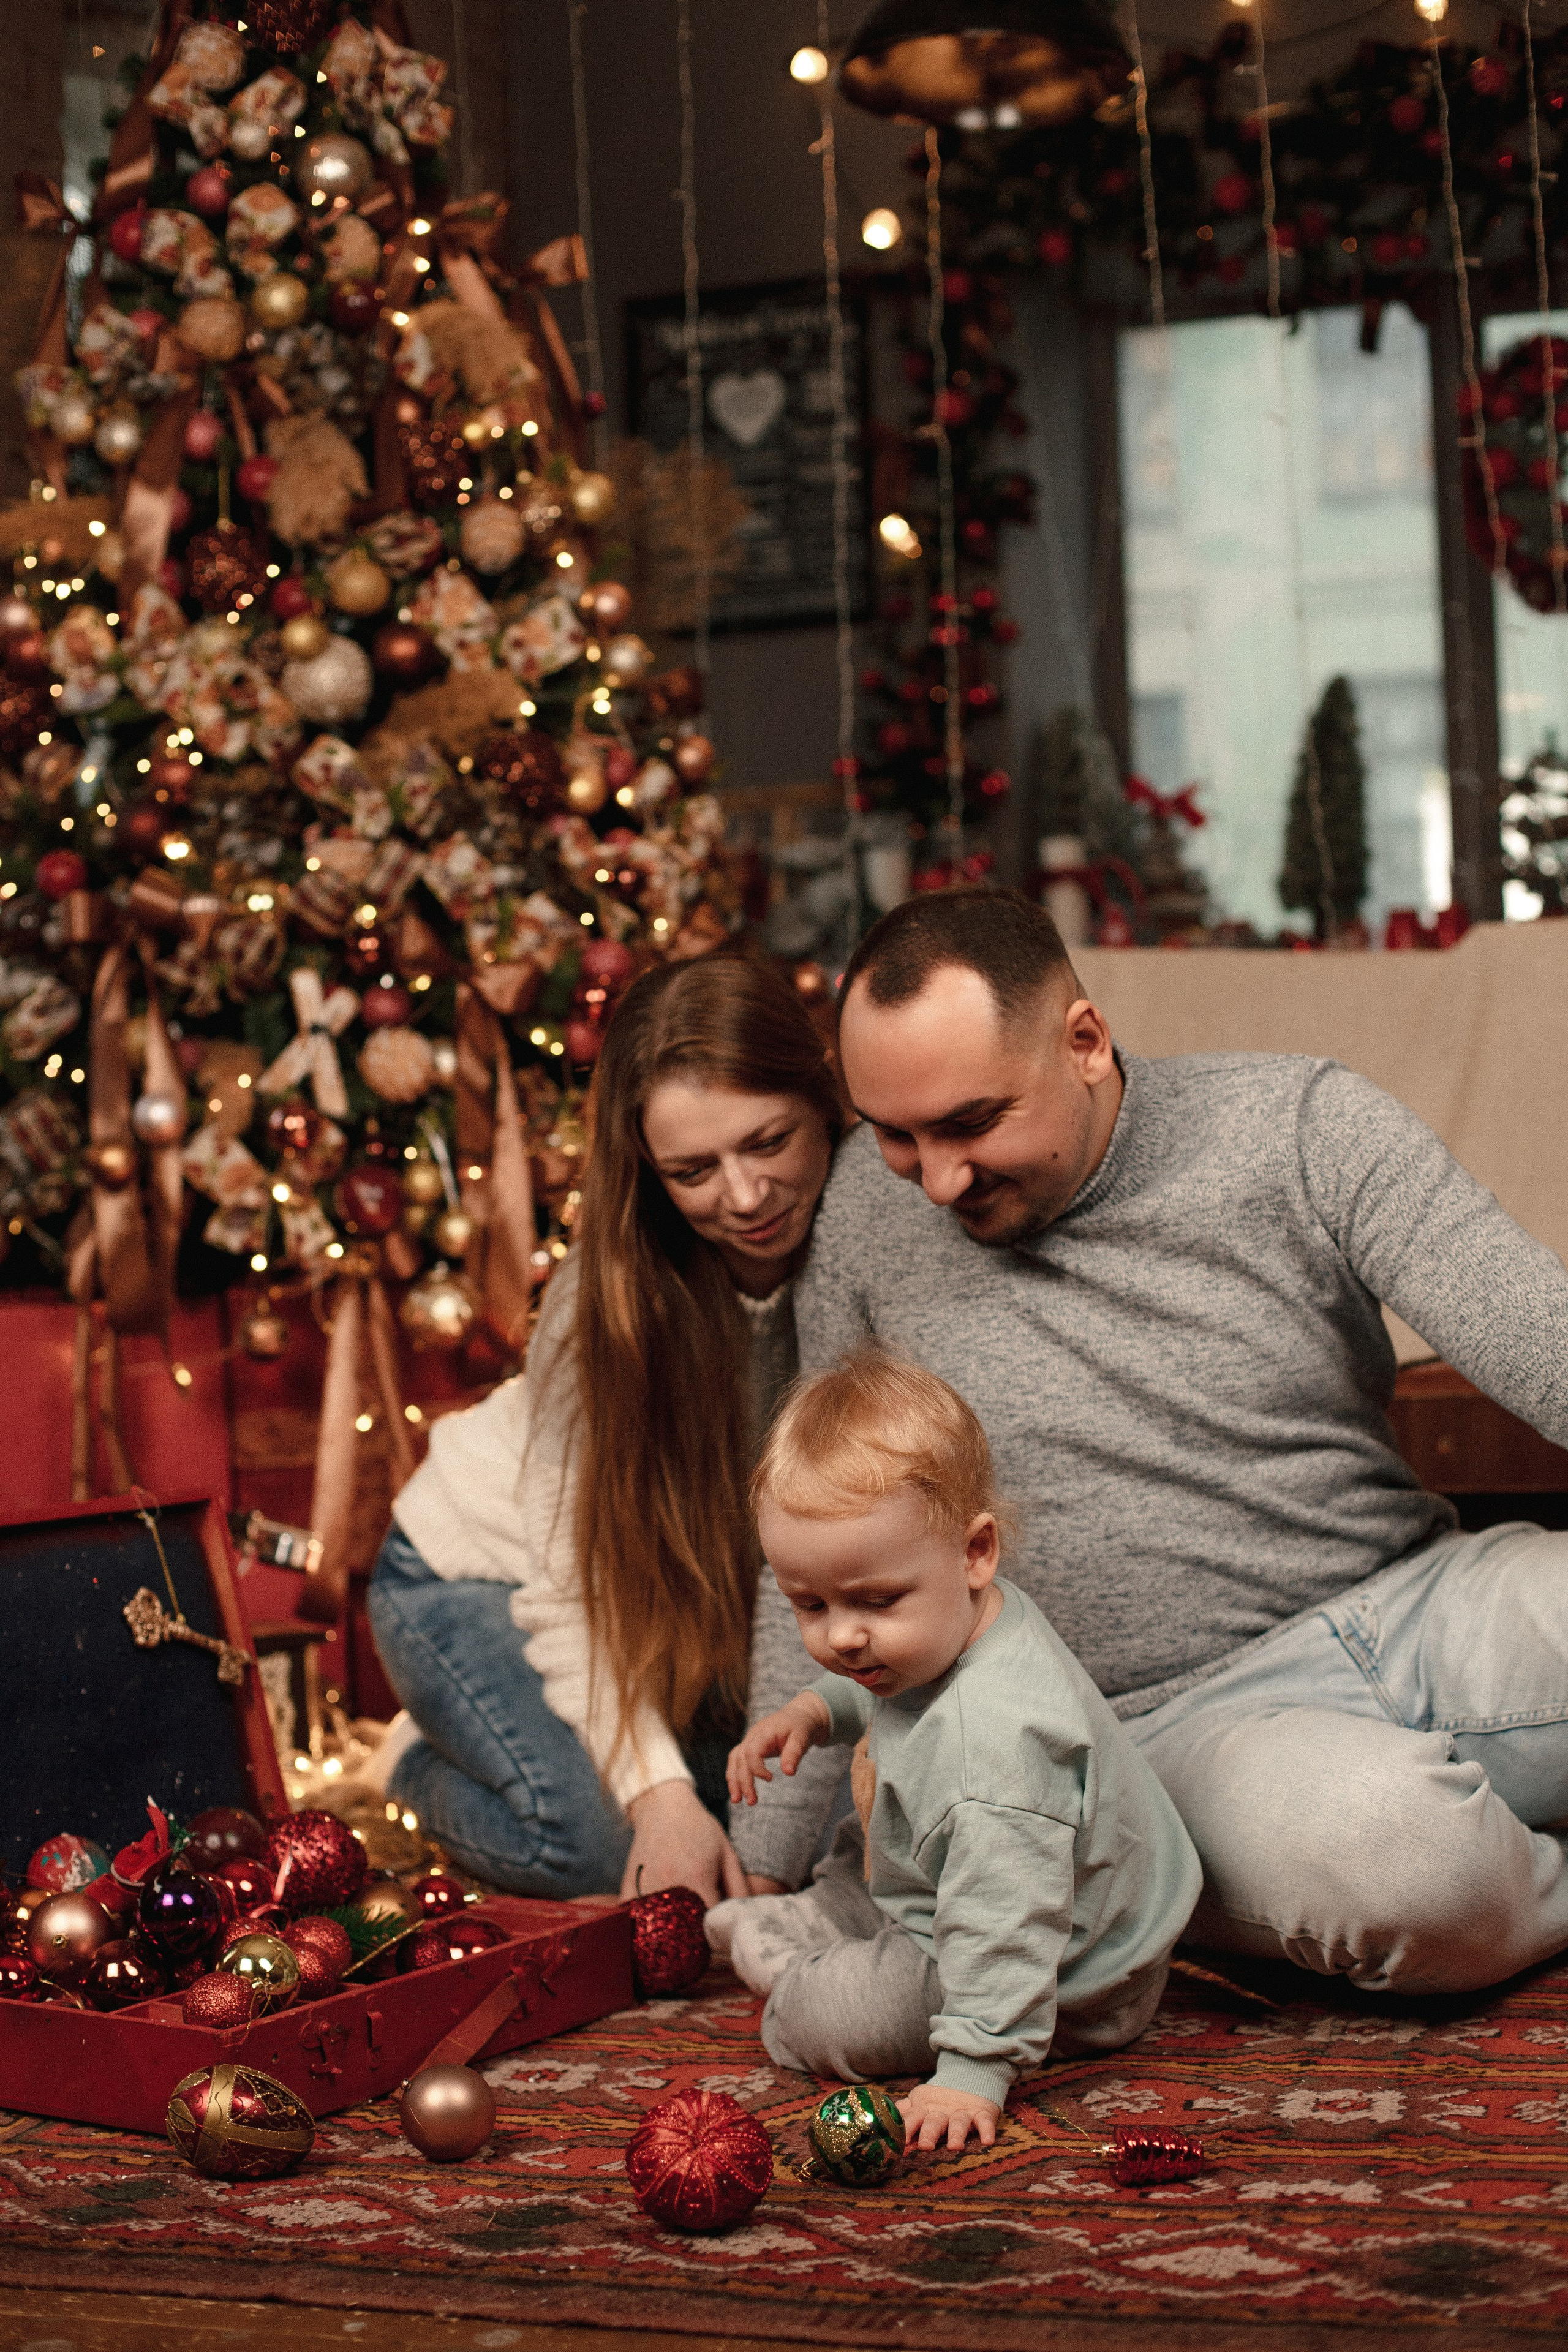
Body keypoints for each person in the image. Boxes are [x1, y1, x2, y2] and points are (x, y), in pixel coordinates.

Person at [731, 887, 1568, 1995]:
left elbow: (1539, 1334)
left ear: (1085, 1041)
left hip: (1420, 1602)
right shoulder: (862, 1218)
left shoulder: (1299, 1125)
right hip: (1146, 1735)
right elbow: (820, 1523)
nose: (936, 1180)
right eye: (895, 1135)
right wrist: (765, 1854)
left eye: (974, 1123)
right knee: (1416, 1865)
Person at [368, 948, 843, 1906]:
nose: (745, 1196)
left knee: (770, 1814)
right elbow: (569, 1589)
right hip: (481, 1573)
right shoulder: (604, 1306)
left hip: (665, 1633)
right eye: (693, 1170)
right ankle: (414, 1760)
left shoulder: (877, 1238)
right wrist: (657, 1794)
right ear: (648, 1172)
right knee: (595, 1850)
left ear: (824, 1098)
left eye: (769, 1140)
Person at [713, 1353, 1200, 2151]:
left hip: (1059, 1973)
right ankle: (828, 1910)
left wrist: (973, 2068)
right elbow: (879, 1685)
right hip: (978, 1879)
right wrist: (814, 1708)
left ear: (977, 1552)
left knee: (825, 2020)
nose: (840, 1635)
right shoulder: (956, 1617)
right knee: (878, 1820)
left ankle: (801, 1967)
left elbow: (1004, 1925)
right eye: (810, 1603)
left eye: (874, 1600)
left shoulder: (995, 1752)